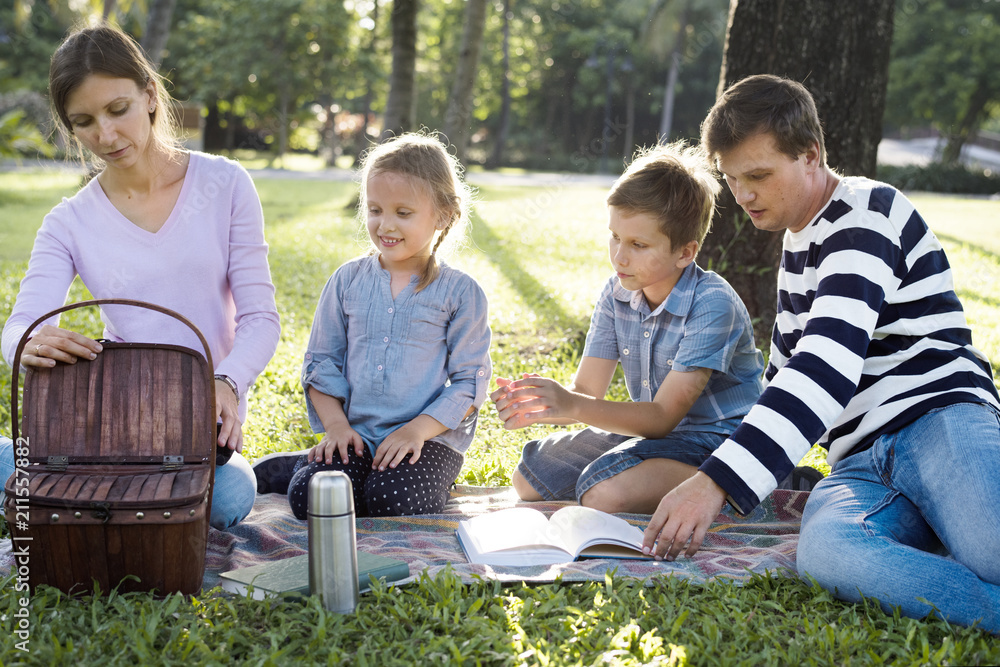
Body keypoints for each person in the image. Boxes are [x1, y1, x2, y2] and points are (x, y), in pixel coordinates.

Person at [641, 74, 1000, 633]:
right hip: (861, 465)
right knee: (830, 555)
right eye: (732, 180)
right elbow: (784, 377)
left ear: (810, 155)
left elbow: (825, 367)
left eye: (759, 175)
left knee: (994, 547)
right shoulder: (798, 241)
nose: (744, 196)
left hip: (937, 420)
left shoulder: (864, 213)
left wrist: (716, 483)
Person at [0, 24, 280, 530]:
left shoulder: (225, 184)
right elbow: (19, 326)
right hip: (111, 418)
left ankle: (85, 500)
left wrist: (228, 382)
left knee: (230, 495)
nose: (104, 136)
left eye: (117, 110)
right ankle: (104, 495)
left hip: (196, 431)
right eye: (83, 121)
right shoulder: (68, 222)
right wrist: (28, 340)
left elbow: (261, 319)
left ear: (150, 95)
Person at [491, 143, 767, 514]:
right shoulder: (617, 292)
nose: (619, 256)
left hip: (719, 440)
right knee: (530, 479)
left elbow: (662, 417)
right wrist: (539, 404)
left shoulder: (712, 303)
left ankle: (748, 482)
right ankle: (641, 471)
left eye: (638, 244)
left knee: (602, 492)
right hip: (656, 436)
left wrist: (572, 404)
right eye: (615, 237)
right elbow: (587, 392)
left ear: (685, 252)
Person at [253, 132, 492, 520]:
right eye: (375, 209)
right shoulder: (347, 281)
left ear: (444, 214)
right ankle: (301, 467)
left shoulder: (462, 293)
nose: (385, 224)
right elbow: (321, 362)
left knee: (391, 502)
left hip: (426, 439)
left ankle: (375, 476)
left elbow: (469, 382)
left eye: (403, 212)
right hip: (356, 433)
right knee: (311, 499)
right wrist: (335, 428)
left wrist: (416, 430)